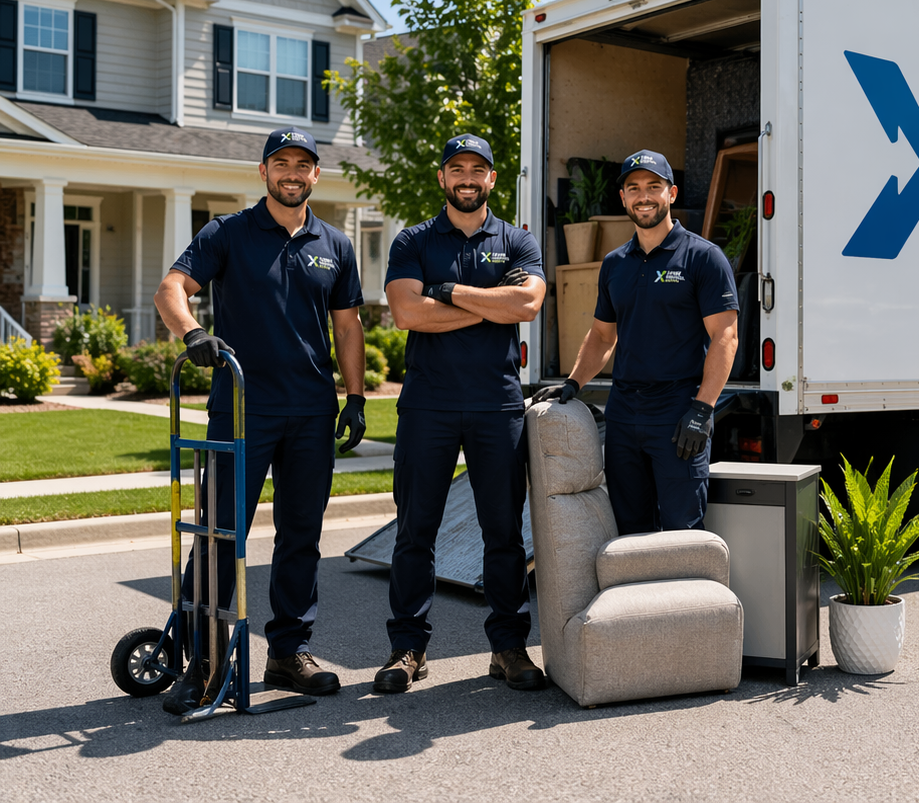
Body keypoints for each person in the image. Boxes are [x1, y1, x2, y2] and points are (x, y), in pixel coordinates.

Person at [154, 127, 367, 714]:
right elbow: (172, 287)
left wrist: (355, 396)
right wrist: (192, 332)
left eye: (303, 163)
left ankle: (287, 654)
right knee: (221, 536)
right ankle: (204, 663)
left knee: (302, 536)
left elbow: (347, 326)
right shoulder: (228, 232)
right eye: (281, 162)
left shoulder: (336, 244)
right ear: (263, 171)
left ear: (316, 174)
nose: (292, 172)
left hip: (311, 411)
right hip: (241, 409)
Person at [375, 133, 548, 694]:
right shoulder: (413, 240)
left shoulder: (518, 240)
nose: (467, 177)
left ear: (492, 178)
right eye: (457, 169)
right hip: (428, 404)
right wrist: (488, 302)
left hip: (497, 404)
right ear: (443, 178)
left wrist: (447, 292)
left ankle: (508, 647)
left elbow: (528, 303)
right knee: (414, 530)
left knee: (503, 532)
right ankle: (407, 649)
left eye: (478, 168)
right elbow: (405, 314)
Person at [538, 150, 739, 534]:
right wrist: (573, 382)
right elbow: (601, 334)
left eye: (653, 186)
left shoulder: (703, 257)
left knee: (682, 528)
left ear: (672, 194)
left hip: (679, 412)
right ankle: (637, 596)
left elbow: (724, 336)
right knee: (630, 529)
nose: (644, 196)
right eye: (634, 188)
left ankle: (686, 597)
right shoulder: (615, 263)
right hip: (624, 414)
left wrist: (702, 409)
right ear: (623, 199)